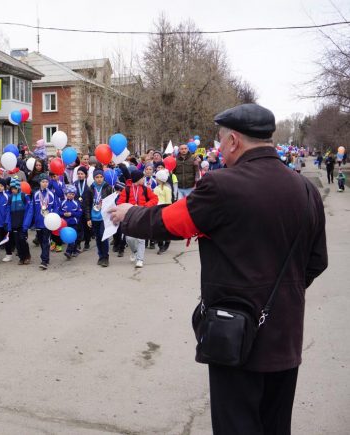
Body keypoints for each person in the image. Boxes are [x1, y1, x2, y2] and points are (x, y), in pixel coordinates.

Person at [109, 103, 328, 435]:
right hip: (285, 336)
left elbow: (170, 221)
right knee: (275, 426)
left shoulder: (223, 186)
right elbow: (317, 261)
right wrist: (282, 295)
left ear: (234, 141)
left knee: (236, 426)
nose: (218, 147)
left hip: (234, 334)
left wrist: (128, 215)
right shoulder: (305, 189)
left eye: (220, 140)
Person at [116, 169, 158, 268]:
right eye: (142, 177)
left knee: (141, 239)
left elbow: (155, 198)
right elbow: (119, 203)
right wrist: (129, 207)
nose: (144, 179)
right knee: (129, 238)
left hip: (143, 215)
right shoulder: (126, 189)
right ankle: (135, 251)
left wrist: (146, 206)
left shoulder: (145, 189)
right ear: (137, 179)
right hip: (130, 216)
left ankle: (140, 259)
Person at [24, 173, 56, 270]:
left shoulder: (51, 194)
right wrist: (26, 224)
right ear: (39, 183)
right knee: (42, 241)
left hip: (48, 223)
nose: (45, 183)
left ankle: (44, 260)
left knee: (46, 241)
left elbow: (55, 208)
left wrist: (54, 219)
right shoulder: (36, 194)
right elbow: (31, 210)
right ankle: (46, 257)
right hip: (38, 222)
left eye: (46, 181)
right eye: (43, 182)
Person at [84, 169, 113, 267]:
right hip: (94, 217)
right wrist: (88, 218)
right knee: (97, 237)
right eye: (97, 177)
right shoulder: (90, 188)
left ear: (103, 177)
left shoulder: (108, 187)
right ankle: (100, 256)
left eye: (101, 177)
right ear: (94, 178)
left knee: (103, 236)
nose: (99, 179)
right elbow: (87, 204)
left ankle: (105, 257)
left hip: (104, 217)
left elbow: (112, 203)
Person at [8, 178, 31, 265]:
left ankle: (27, 256)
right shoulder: (10, 198)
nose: (13, 190)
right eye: (11, 189)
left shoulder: (24, 196)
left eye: (14, 188)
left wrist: (26, 223)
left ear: (18, 187)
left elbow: (29, 210)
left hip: (22, 223)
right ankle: (21, 257)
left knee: (23, 240)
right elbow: (8, 211)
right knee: (17, 241)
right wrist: (9, 223)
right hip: (14, 224)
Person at [60, 185, 82, 259]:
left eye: (72, 194)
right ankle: (74, 250)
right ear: (66, 194)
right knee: (69, 237)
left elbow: (79, 213)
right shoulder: (62, 202)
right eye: (69, 193)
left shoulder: (76, 203)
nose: (71, 195)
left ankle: (68, 252)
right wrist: (63, 214)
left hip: (73, 223)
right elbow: (58, 212)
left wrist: (71, 213)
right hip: (65, 224)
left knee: (72, 237)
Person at [154, 169, 173, 254]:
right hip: (157, 209)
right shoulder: (156, 188)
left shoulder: (167, 189)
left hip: (164, 210)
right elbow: (154, 199)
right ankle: (160, 245)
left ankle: (167, 241)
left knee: (164, 228)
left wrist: (167, 210)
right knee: (158, 228)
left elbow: (168, 201)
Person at [74, 166, 92, 251]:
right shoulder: (74, 184)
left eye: (82, 174)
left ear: (85, 175)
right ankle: (77, 243)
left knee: (86, 228)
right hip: (77, 210)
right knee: (78, 227)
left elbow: (89, 201)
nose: (80, 175)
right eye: (79, 174)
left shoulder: (88, 187)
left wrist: (88, 214)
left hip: (85, 210)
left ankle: (87, 242)